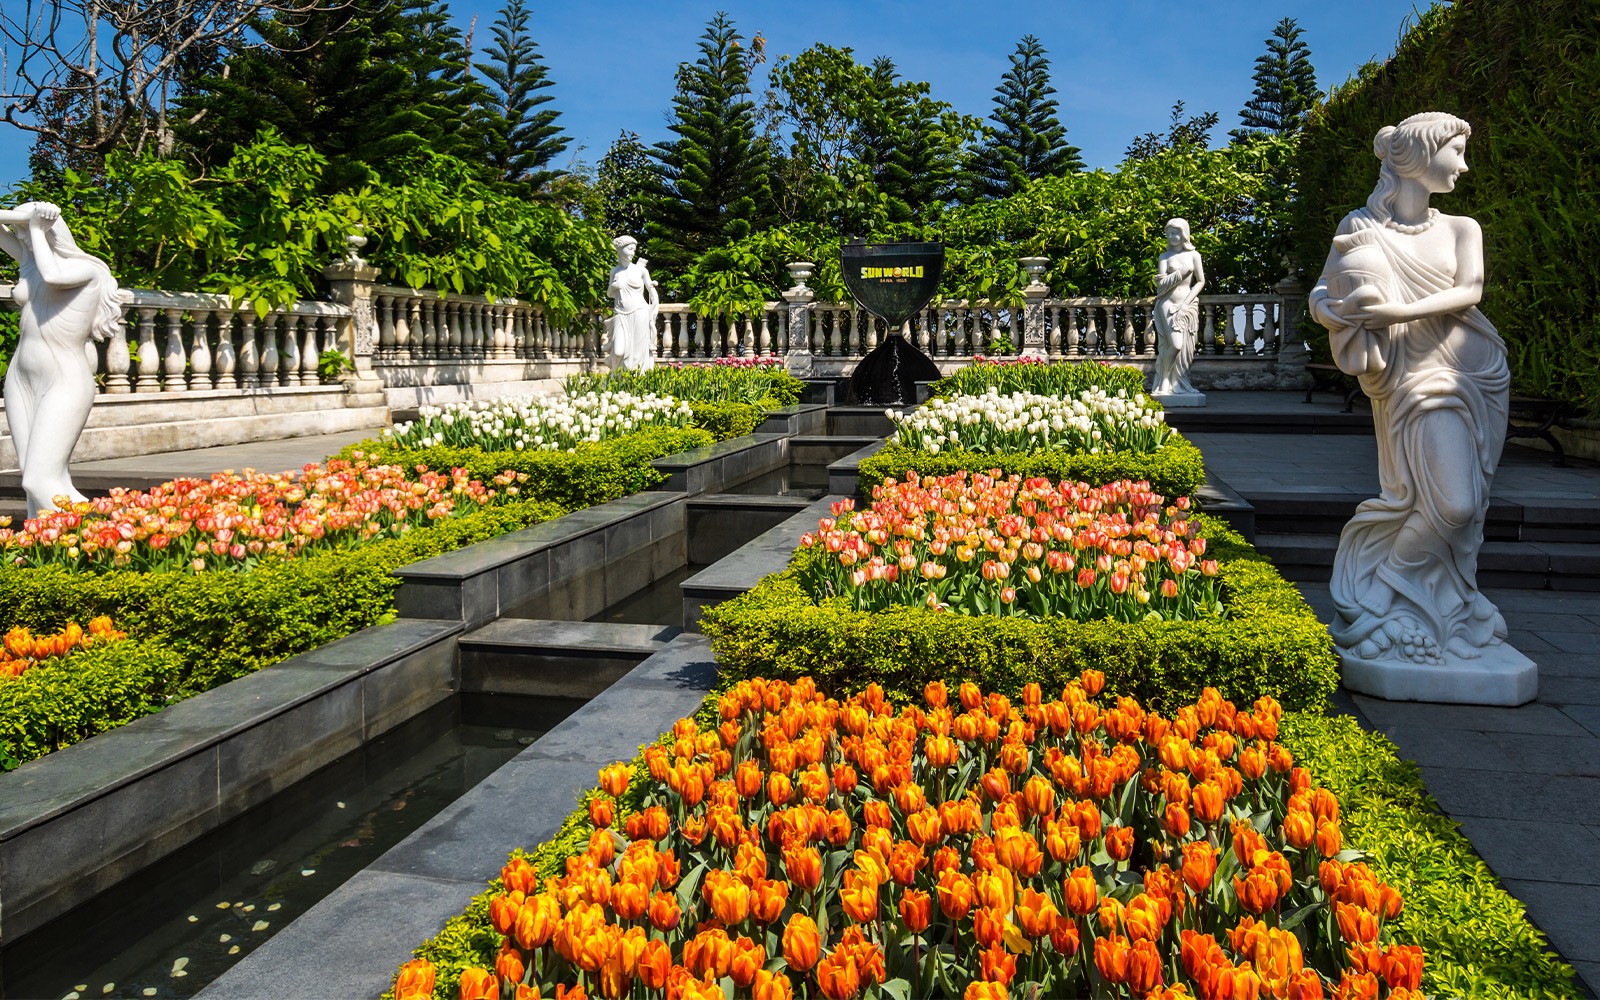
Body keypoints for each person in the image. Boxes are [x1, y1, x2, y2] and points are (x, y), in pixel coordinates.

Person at [1308, 112, 1511, 670]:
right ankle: (1381, 592)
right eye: (1457, 152)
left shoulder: (1461, 228)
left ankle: (1448, 607)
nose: (1464, 166)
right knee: (1453, 502)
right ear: (1421, 156)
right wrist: (1336, 311)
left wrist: (1396, 310)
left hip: (1476, 371)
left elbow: (1469, 292)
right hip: (1413, 378)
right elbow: (1321, 293)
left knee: (1467, 507)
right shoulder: (1361, 227)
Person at [0, 202, 122, 517]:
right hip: (21, 376)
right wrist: (23, 221)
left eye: (28, 234)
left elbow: (53, 278)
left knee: (39, 480)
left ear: (51, 230)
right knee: (33, 477)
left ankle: (114, 530)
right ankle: (42, 550)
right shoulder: (32, 263)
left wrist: (37, 226)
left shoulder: (87, 270)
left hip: (63, 379)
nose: (24, 240)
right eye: (22, 234)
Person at [1151, 218, 1205, 396]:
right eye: (1169, 233)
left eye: (1176, 233)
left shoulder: (1194, 255)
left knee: (1185, 349)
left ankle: (1178, 381)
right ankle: (1165, 380)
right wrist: (1180, 273)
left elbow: (1200, 282)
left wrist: (1185, 303)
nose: (1173, 237)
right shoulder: (1165, 257)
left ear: (1184, 234)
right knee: (1174, 345)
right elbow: (1161, 286)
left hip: (1187, 306)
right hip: (1166, 304)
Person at [605, 235, 657, 372]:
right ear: (620, 250)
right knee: (618, 351)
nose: (632, 253)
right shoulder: (614, 271)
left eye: (634, 250)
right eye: (629, 249)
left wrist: (653, 311)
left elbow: (652, 292)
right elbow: (609, 294)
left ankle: (637, 380)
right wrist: (614, 287)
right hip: (621, 315)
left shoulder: (640, 270)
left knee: (638, 353)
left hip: (640, 312)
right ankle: (615, 378)